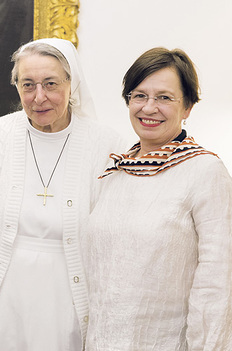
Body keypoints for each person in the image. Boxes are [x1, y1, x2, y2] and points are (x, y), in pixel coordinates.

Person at [0, 38, 125, 350]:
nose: (39, 97)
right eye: (27, 84)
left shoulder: (107, 144)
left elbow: (114, 243)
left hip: (68, 298)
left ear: (72, 84)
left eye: (51, 84)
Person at [84, 47, 232, 350]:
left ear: (188, 106)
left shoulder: (204, 170)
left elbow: (218, 283)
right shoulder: (115, 170)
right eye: (139, 96)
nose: (149, 108)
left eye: (164, 97)